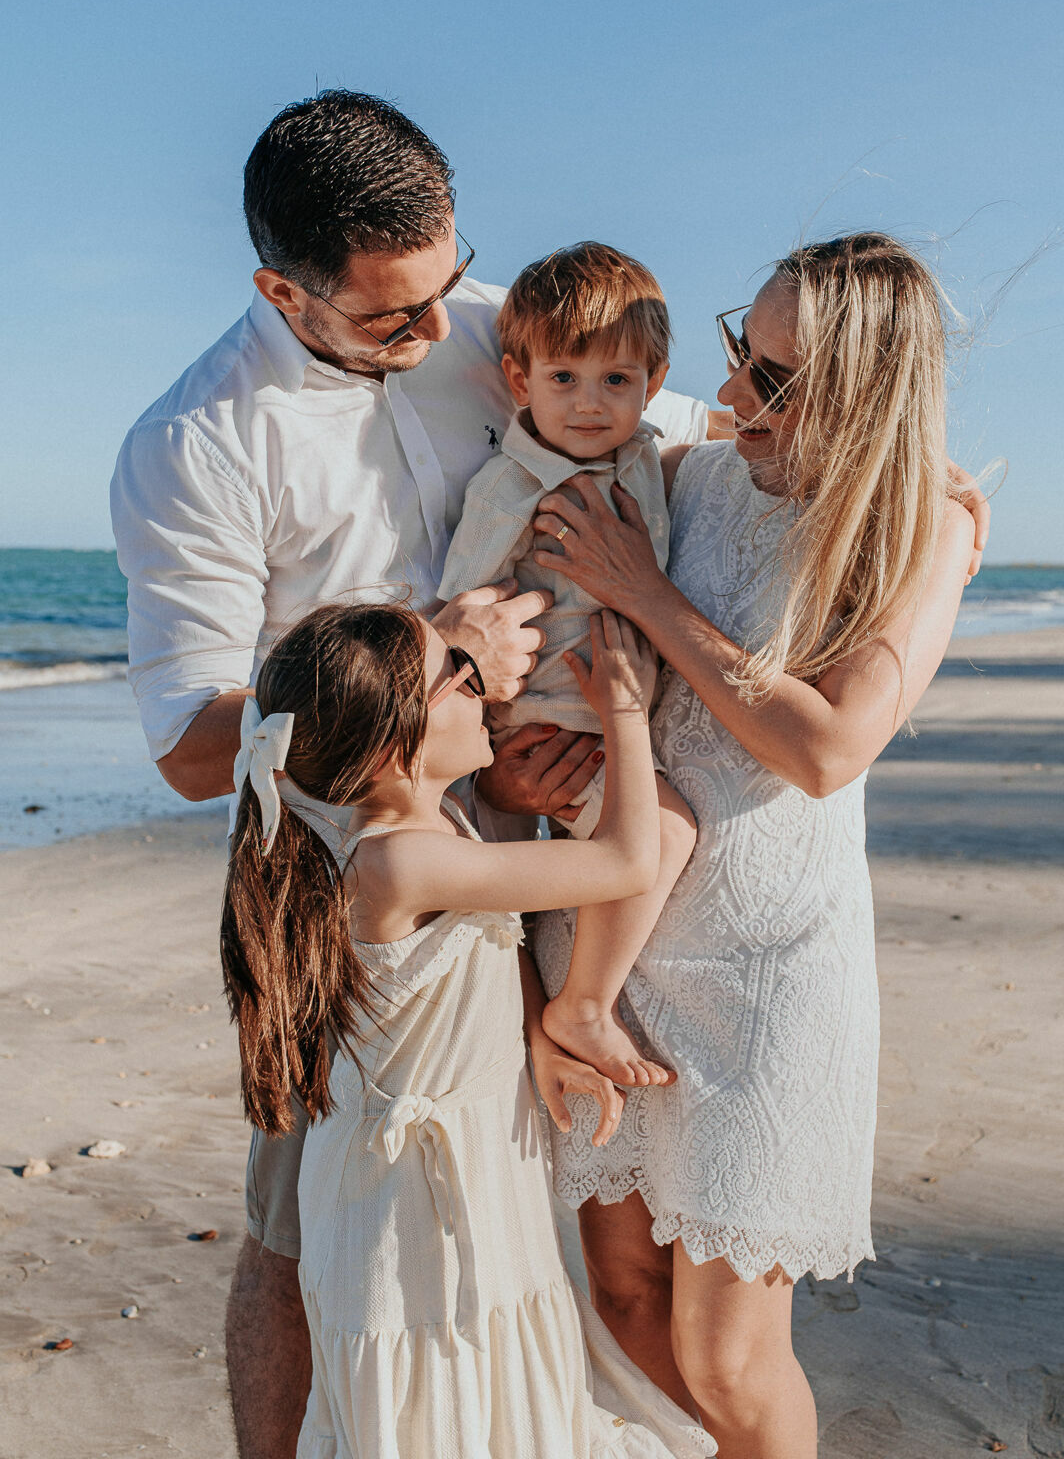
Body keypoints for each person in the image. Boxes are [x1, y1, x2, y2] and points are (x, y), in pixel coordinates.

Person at [109, 89, 717, 1459]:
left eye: (451, 282)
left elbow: (699, 426)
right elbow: (196, 749)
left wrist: (924, 499)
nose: (448, 332)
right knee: (305, 1215)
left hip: (541, 798)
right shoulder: (196, 443)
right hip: (353, 865)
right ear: (283, 288)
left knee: (575, 1193)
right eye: (394, 314)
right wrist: (428, 657)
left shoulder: (498, 325)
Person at [526, 234, 978, 1459]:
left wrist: (646, 596)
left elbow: (827, 747)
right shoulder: (685, 471)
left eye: (776, 382)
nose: (735, 394)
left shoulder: (920, 526)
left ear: (868, 396)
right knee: (622, 1299)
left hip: (769, 972)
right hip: (608, 952)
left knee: (729, 1361)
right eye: (741, 350)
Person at [219, 601, 716, 1459]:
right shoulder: (397, 858)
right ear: (393, 746)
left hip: (461, 1166)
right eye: (459, 672)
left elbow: (477, 957)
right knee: (440, 1407)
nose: (482, 684)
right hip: (412, 1203)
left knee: (481, 1406)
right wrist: (624, 709)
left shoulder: (415, 828)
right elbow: (633, 857)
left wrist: (536, 1041)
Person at [439, 242, 698, 1087]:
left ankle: (553, 1014)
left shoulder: (641, 454)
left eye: (615, 381)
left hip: (612, 717)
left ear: (652, 383)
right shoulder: (511, 489)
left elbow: (720, 436)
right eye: (564, 381)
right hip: (554, 725)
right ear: (520, 382)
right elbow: (462, 610)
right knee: (663, 833)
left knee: (516, 916)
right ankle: (582, 1005)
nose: (590, 404)